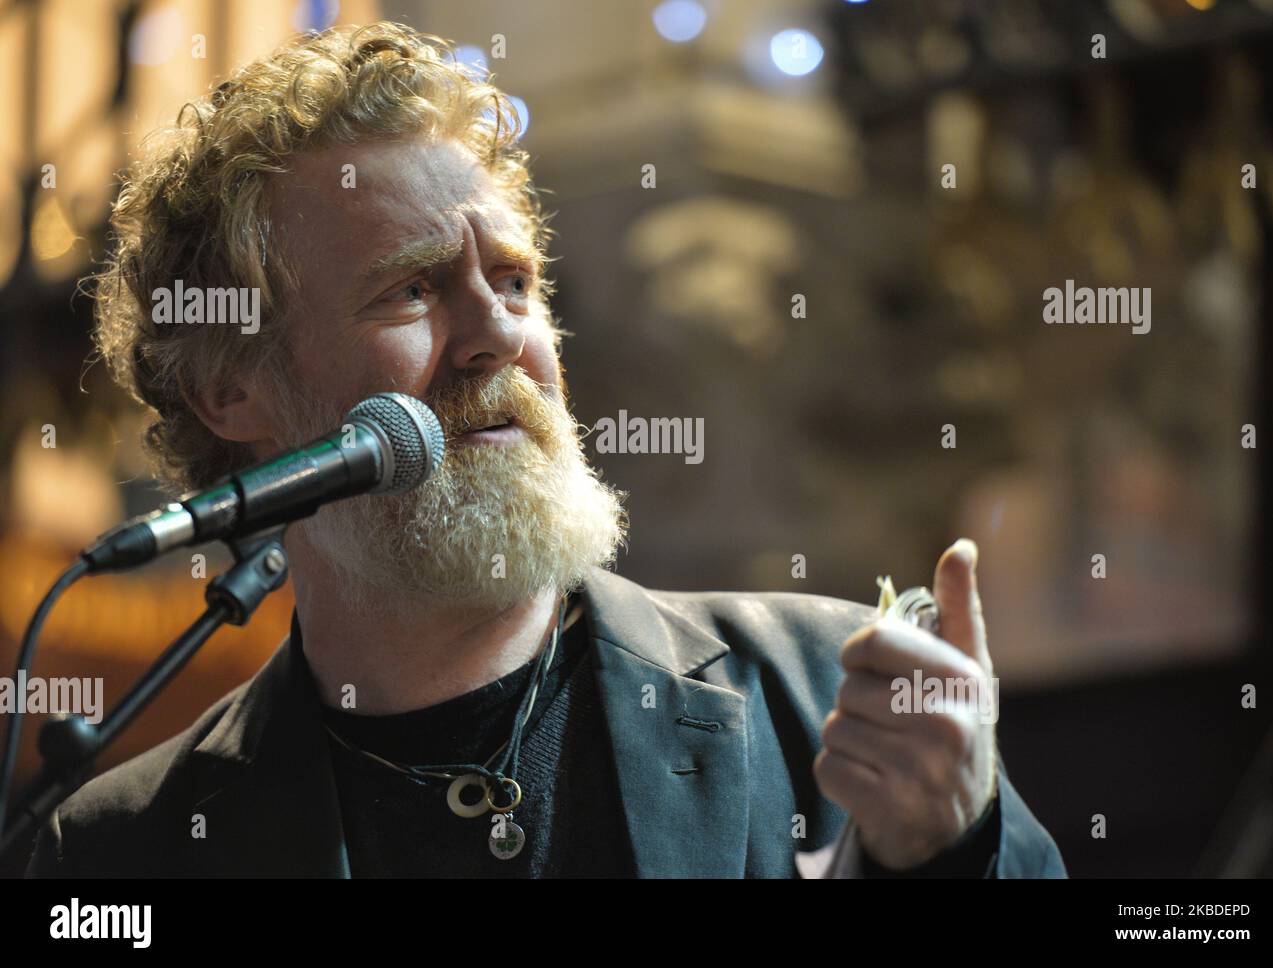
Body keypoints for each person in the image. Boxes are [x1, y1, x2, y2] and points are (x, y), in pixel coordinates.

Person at [27, 21, 1064, 878]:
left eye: (515, 281)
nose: (498, 336)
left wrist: (946, 851)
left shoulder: (817, 696)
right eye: (413, 288)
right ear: (232, 386)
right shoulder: (128, 851)